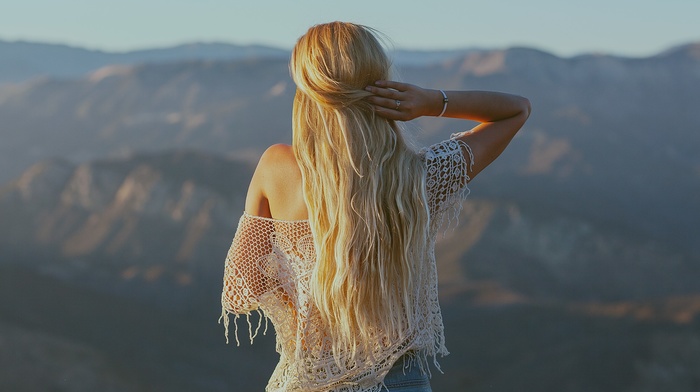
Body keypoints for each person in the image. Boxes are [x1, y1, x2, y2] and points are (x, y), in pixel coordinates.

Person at [220, 21, 530, 392]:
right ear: (382, 83)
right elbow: (516, 110)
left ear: (309, 90)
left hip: (309, 379)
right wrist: (431, 101)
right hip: (400, 380)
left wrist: (312, 288)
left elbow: (247, 284)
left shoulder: (276, 167)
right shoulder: (421, 176)